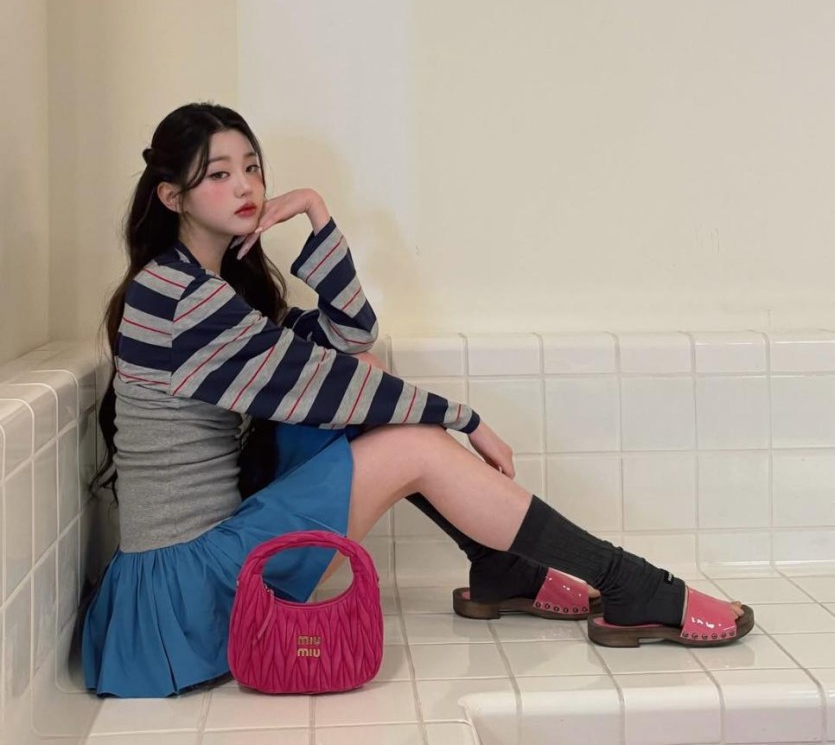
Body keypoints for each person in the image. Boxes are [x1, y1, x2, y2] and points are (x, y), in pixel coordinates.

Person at [83, 102, 753, 699]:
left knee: (370, 382)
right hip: (187, 589)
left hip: (204, 562)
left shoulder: (206, 285)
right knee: (409, 440)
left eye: (252, 168)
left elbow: (351, 339)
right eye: (218, 174)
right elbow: (331, 385)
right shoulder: (181, 298)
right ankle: (625, 582)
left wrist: (316, 211)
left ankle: (502, 568)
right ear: (172, 196)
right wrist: (466, 419)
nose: (245, 187)